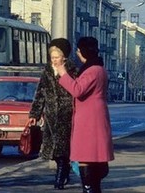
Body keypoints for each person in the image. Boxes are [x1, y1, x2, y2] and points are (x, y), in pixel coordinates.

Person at [56, 37, 114, 193]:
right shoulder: (98, 68)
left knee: (86, 157)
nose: (77, 53)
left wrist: (62, 73)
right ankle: (91, 187)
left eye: (79, 50)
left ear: (83, 52)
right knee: (91, 158)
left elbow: (77, 90)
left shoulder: (93, 70)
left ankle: (88, 188)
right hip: (93, 118)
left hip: (90, 121)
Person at [28, 38, 78, 190]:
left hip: (66, 116)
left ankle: (59, 180)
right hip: (51, 117)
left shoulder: (73, 70)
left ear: (64, 57)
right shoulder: (47, 71)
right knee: (54, 153)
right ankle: (64, 172)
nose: (54, 60)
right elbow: (40, 94)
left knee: (62, 151)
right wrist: (34, 115)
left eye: (57, 57)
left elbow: (76, 91)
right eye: (52, 57)